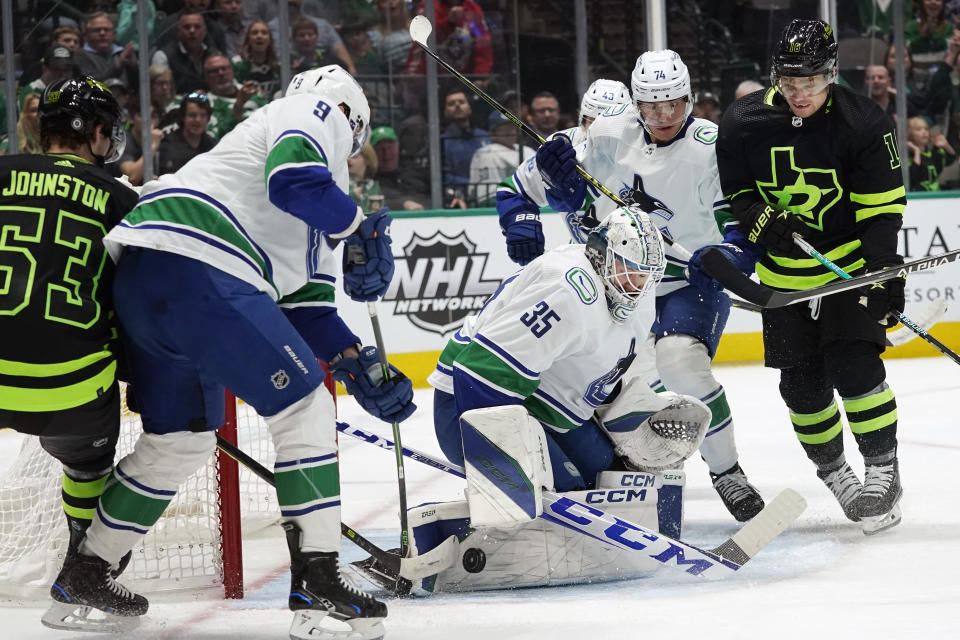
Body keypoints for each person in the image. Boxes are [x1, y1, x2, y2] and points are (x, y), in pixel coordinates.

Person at [74, 65, 413, 638]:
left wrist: (357, 364)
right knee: (305, 410)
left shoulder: (304, 203)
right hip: (203, 267)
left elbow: (304, 309)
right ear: (356, 121)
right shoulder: (316, 110)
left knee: (180, 440)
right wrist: (357, 227)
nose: (352, 159)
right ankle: (318, 579)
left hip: (146, 275)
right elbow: (294, 179)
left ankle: (86, 571)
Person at [504, 55, 767, 523]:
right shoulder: (607, 133)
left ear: (690, 98)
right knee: (605, 384)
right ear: (636, 104)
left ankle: (727, 471)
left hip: (688, 279)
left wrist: (730, 254)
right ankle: (630, 480)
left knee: (679, 362)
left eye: (674, 104)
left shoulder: (710, 145)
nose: (664, 117)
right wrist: (556, 186)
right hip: (618, 283)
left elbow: (739, 216)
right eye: (652, 106)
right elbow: (552, 188)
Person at [408, 206, 711, 592]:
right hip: (470, 406)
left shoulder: (636, 292)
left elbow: (615, 369)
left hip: (550, 408)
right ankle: (476, 537)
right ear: (601, 253)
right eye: (629, 270)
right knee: (565, 493)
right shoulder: (568, 290)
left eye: (647, 275)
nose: (637, 284)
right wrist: (502, 465)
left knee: (613, 482)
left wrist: (633, 415)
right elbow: (479, 370)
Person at [713, 19, 905, 534]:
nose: (800, 94)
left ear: (832, 73)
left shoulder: (864, 122)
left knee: (853, 364)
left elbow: (880, 210)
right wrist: (756, 218)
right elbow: (737, 193)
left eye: (812, 82)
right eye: (790, 82)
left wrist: (885, 270)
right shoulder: (743, 121)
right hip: (782, 279)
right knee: (800, 387)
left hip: (846, 269)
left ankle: (883, 470)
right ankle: (837, 473)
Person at [0, 76, 142, 629]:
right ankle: (85, 572)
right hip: (66, 386)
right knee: (87, 465)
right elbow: (132, 308)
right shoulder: (122, 200)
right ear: (97, 132)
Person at [468, 110, 533, 206]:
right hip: (491, 202)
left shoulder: (527, 150)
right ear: (492, 133)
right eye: (503, 128)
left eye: (511, 127)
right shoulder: (486, 153)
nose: (509, 131)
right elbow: (487, 196)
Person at [202, 53, 268, 138]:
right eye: (214, 71)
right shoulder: (207, 105)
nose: (221, 73)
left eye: (224, 68)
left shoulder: (252, 91)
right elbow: (216, 136)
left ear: (232, 71)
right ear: (206, 77)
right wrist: (239, 105)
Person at [441, 87, 489, 195]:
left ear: (469, 107)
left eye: (461, 102)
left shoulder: (484, 136)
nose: (457, 105)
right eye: (451, 103)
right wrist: (471, 184)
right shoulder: (442, 142)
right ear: (446, 111)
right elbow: (443, 175)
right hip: (459, 194)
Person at [157, 92, 217, 175]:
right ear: (182, 117)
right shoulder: (167, 145)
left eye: (203, 115)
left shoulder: (213, 146)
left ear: (208, 118)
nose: (198, 120)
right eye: (193, 115)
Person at [232, 20, 283, 100]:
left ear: (270, 39)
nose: (259, 36)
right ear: (248, 39)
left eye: (264, 33)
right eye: (254, 33)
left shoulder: (279, 65)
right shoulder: (237, 63)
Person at [906, 115, 957, 189]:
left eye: (926, 129)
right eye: (918, 129)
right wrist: (916, 152)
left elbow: (951, 159)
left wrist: (946, 145)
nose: (924, 132)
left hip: (935, 196)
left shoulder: (933, 153)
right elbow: (912, 178)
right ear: (910, 134)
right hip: (918, 197)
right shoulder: (907, 156)